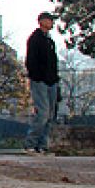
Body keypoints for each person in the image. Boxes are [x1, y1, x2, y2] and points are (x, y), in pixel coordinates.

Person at [25, 11, 60, 153]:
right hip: (40, 81)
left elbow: (53, 63)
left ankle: (42, 145)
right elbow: (31, 60)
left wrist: (55, 80)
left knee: (50, 114)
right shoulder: (35, 39)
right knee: (43, 113)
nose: (52, 23)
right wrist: (36, 76)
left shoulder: (49, 41)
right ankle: (30, 144)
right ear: (42, 21)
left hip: (52, 81)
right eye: (50, 20)